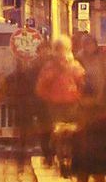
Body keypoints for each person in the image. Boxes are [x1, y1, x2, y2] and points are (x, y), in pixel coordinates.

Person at [70, 37, 106, 182]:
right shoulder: (77, 64)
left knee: (95, 179)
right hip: (87, 138)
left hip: (95, 136)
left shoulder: (102, 62)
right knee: (85, 180)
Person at [34, 39, 83, 174]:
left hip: (64, 104)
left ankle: (65, 157)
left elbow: (40, 87)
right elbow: (41, 86)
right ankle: (64, 158)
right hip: (63, 104)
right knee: (65, 133)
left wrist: (48, 97)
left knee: (64, 133)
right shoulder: (70, 65)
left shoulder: (59, 66)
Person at [6, 55, 40, 174]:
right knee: (23, 137)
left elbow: (9, 90)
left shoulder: (14, 77)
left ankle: (21, 161)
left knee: (21, 137)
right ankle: (21, 161)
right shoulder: (28, 77)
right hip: (25, 109)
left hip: (21, 109)